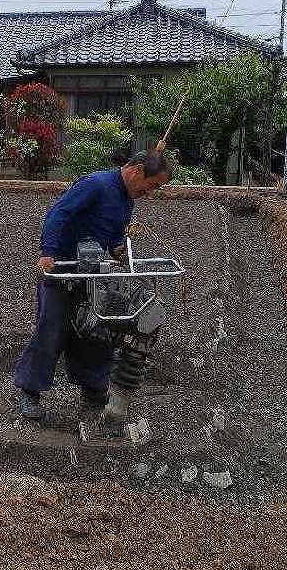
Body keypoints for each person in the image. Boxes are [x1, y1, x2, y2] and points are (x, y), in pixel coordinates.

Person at [13, 148, 171, 420]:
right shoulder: (95, 185)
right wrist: (48, 253)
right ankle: (30, 391)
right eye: (152, 185)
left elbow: (111, 232)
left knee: (99, 329)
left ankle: (93, 386)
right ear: (137, 171)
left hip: (93, 272)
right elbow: (58, 214)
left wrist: (119, 249)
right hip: (63, 266)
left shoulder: (126, 200)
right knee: (52, 328)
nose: (151, 192)